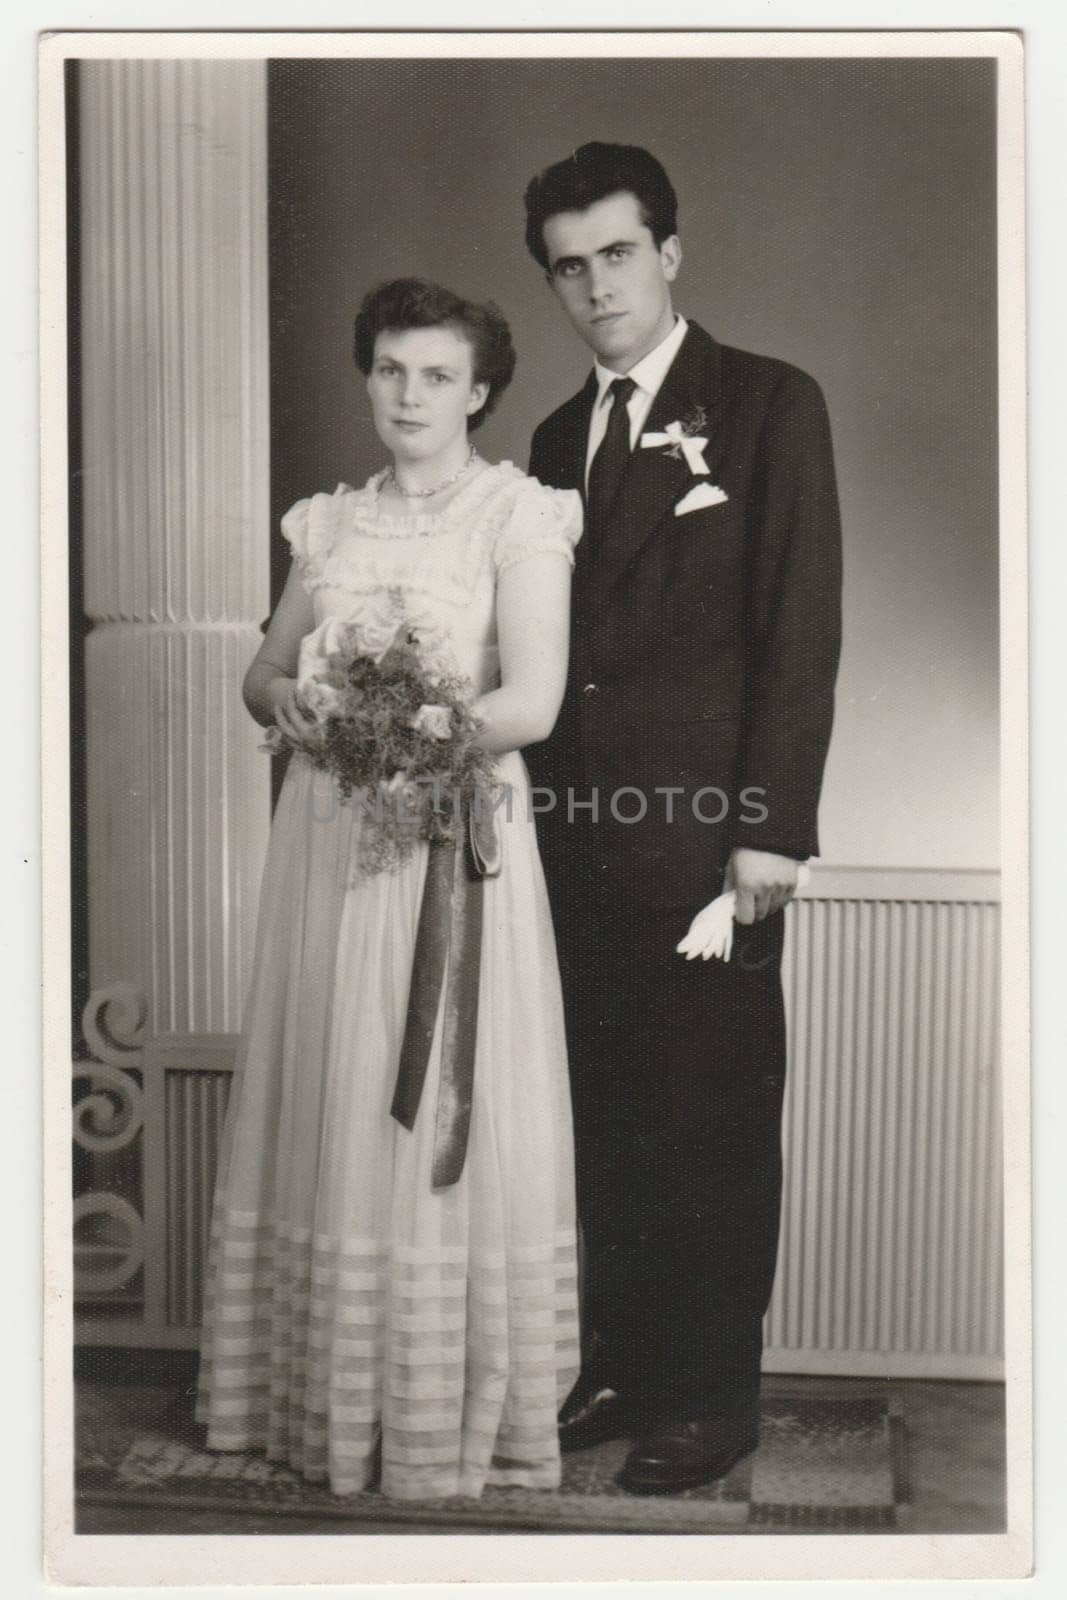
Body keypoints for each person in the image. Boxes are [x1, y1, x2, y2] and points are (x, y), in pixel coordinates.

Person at [195, 278, 583, 1501]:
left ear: (477, 392)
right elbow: (262, 669)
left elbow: (531, 702)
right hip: (326, 842)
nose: (407, 396)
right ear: (366, 379)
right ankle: (319, 1405)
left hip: (447, 842)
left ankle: (424, 1424)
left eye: (434, 376)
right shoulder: (330, 525)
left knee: (424, 1097)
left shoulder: (517, 516)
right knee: (335, 1084)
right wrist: (298, 702)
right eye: (388, 371)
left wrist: (417, 729)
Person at [522, 143, 842, 1494]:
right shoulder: (549, 439)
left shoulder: (766, 405)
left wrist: (769, 827)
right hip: (568, 841)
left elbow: (798, 622)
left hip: (710, 843)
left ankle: (708, 1398)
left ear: (667, 252)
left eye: (613, 253)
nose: (593, 286)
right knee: (600, 1116)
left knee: (705, 1122)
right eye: (566, 266)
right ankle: (626, 1364)